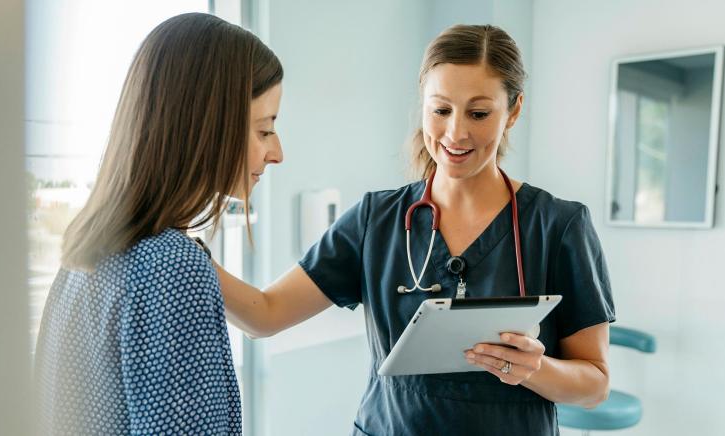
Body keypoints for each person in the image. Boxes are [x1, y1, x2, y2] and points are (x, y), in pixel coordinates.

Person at [218, 24, 615, 435]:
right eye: (440, 110)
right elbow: (263, 315)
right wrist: (179, 242)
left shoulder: (559, 226)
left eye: (479, 113)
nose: (456, 133)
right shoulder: (377, 219)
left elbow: (595, 385)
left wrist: (534, 368)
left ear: (513, 110)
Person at [34, 13, 284, 435]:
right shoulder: (174, 269)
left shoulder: (85, 253)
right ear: (208, 128)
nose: (276, 153)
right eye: (264, 131)